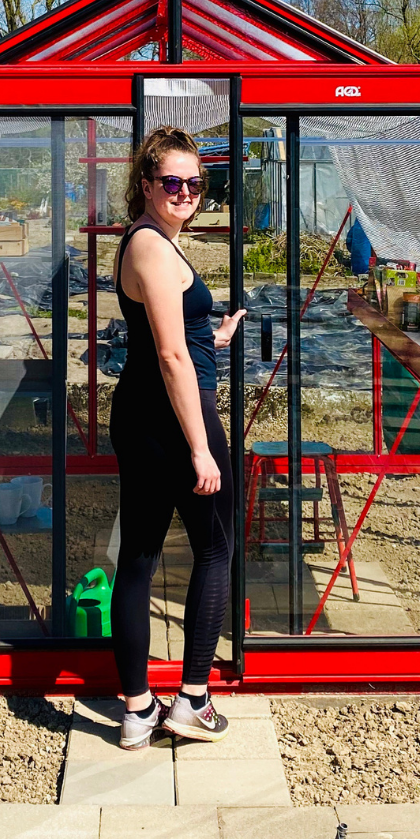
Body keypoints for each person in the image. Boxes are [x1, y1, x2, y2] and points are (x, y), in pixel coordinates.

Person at [107, 125, 246, 749]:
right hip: (169, 420)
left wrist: (209, 337)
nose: (186, 191)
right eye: (172, 182)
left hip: (143, 417)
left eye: (195, 182)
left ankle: (137, 711)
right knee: (216, 548)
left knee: (138, 558)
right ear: (146, 185)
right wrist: (199, 446)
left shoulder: (150, 243)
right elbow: (167, 356)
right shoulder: (154, 248)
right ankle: (192, 698)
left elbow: (167, 335)